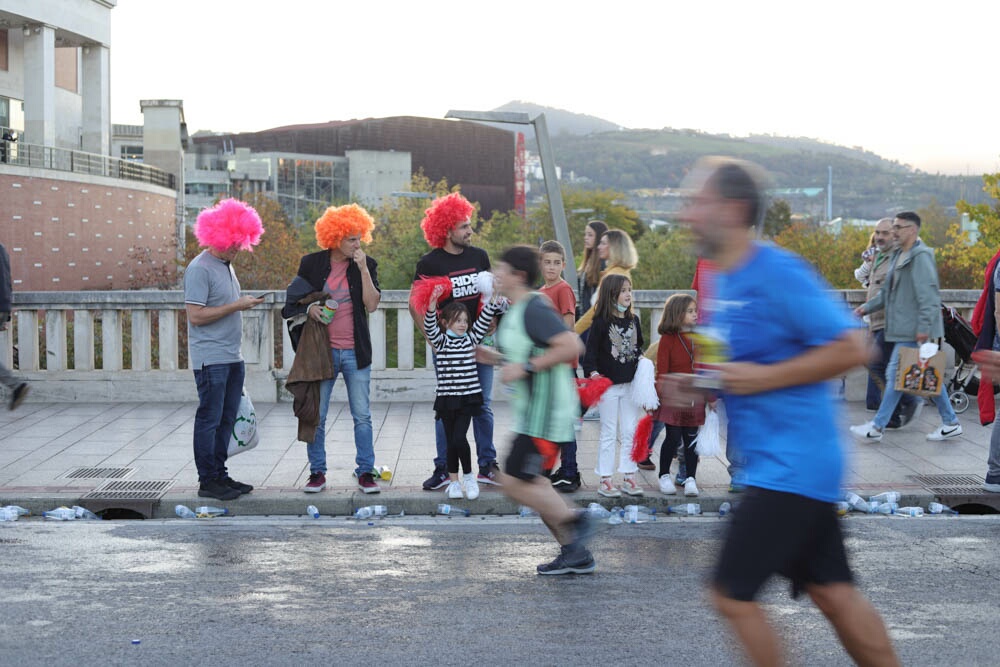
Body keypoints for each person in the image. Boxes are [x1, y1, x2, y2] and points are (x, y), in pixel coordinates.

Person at [665, 157, 899, 667]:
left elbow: (853, 347)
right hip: (785, 463)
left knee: (730, 593)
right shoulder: (721, 280)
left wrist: (761, 379)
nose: (686, 215)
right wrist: (702, 384)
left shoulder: (776, 271)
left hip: (793, 464)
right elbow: (742, 366)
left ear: (731, 210)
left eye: (696, 203)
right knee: (833, 593)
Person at [488, 245, 594, 575]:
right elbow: (527, 352)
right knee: (535, 485)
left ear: (518, 276)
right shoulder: (516, 309)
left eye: (501, 269)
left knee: (514, 480)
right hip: (533, 414)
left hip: (546, 416)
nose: (496, 275)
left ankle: (577, 521)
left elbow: (571, 345)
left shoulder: (534, 307)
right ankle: (575, 552)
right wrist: (494, 358)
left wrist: (526, 369)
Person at [283, 204, 382, 494]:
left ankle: (366, 471)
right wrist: (312, 307)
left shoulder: (367, 264)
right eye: (351, 238)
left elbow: (372, 305)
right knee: (318, 414)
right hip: (321, 353)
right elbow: (290, 305)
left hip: (356, 352)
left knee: (362, 415)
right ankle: (317, 472)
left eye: (359, 237)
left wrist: (363, 268)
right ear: (334, 237)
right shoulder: (312, 264)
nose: (357, 244)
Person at [411, 193, 501, 491]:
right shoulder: (430, 262)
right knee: (448, 409)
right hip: (449, 348)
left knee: (483, 406)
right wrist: (433, 341)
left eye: (469, 225)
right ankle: (442, 468)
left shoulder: (479, 257)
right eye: (463, 226)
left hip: (478, 342)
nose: (469, 231)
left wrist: (491, 329)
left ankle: (487, 465)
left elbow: (490, 297)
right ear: (446, 230)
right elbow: (416, 304)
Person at [850, 211, 962, 442]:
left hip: (914, 330)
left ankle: (877, 426)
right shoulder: (900, 255)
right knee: (926, 377)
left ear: (912, 229)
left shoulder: (920, 257)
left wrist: (923, 329)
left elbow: (929, 295)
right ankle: (950, 422)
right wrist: (865, 308)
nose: (894, 232)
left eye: (898, 227)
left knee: (896, 375)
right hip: (902, 328)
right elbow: (887, 293)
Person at [184, 198, 265, 501]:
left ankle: (220, 474)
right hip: (211, 360)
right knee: (210, 418)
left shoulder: (225, 266)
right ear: (216, 235)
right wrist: (238, 305)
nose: (238, 248)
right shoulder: (199, 269)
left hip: (232, 357)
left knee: (227, 419)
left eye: (241, 242)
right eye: (233, 242)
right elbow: (196, 316)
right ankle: (208, 480)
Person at [424, 285, 500, 500]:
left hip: (467, 398)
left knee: (459, 437)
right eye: (458, 321)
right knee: (450, 440)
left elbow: (484, 319)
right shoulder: (441, 342)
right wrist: (432, 304)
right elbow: (430, 327)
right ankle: (454, 482)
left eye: (465, 321)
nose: (463, 325)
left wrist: (492, 299)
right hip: (447, 399)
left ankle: (469, 477)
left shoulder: (470, 339)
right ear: (446, 323)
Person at [582, 273, 644, 498]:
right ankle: (605, 479)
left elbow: (638, 349)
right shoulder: (601, 323)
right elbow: (589, 355)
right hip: (608, 386)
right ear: (612, 294)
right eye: (624, 290)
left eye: (630, 289)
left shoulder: (634, 320)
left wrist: (644, 370)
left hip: (629, 386)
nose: (628, 294)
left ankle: (629, 475)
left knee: (630, 431)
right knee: (609, 431)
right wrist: (594, 374)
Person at [859, 218, 919, 426]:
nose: (879, 237)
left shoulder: (900, 257)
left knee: (878, 364)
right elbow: (872, 287)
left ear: (894, 234)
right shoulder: (878, 256)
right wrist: (866, 311)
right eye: (877, 233)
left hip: (893, 322)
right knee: (886, 368)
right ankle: (894, 414)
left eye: (884, 233)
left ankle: (909, 400)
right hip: (877, 321)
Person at [651, 293, 708, 497]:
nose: (695, 315)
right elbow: (662, 371)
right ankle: (664, 475)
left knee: (691, 439)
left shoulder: (698, 339)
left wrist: (710, 397)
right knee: (673, 437)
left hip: (694, 395)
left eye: (696, 311)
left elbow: (703, 369)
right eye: (690, 311)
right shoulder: (668, 339)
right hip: (673, 396)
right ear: (677, 314)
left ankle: (691, 478)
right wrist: (658, 396)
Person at [538, 240, 581, 492]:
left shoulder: (563, 289)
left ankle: (570, 471)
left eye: (556, 263)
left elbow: (568, 326)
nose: (552, 267)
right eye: (547, 262)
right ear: (540, 264)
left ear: (563, 265)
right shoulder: (542, 290)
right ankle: (549, 468)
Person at [574, 229, 637, 336]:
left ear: (614, 247)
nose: (598, 247)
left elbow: (598, 310)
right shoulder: (619, 272)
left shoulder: (615, 275)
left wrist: (574, 331)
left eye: (603, 243)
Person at [0, 242, 29, 410]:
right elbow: (6, 281)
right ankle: (15, 385)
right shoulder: (2, 249)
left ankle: (15, 385)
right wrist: (5, 314)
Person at [576, 220, 608, 321]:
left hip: (593, 320)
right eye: (585, 234)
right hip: (583, 317)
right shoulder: (587, 261)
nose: (586, 238)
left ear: (599, 238)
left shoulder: (603, 264)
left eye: (590, 235)